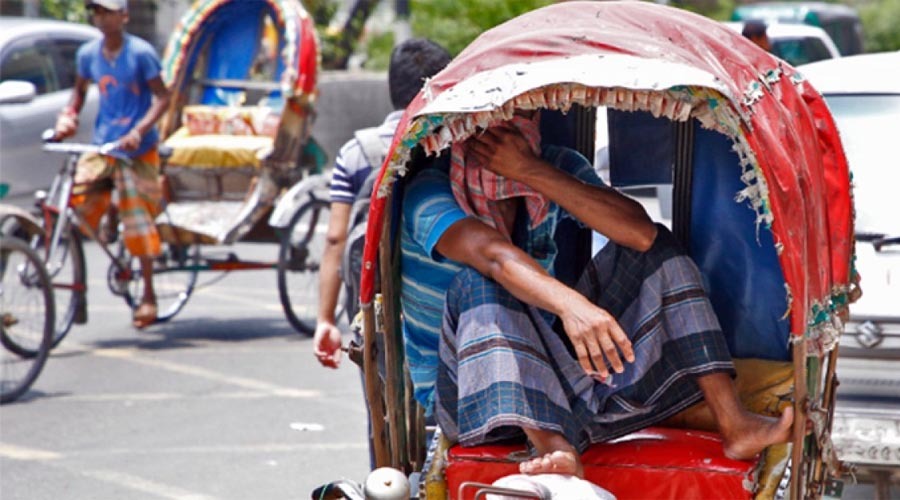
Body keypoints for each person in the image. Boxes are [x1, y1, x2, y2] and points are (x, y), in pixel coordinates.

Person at [400, 111, 794, 478]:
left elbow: (639, 232)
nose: (511, 127)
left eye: (524, 114)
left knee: (657, 248)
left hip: (558, 380)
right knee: (481, 282)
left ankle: (734, 422)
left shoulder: (552, 164)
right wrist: (573, 306)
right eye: (497, 116)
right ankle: (555, 447)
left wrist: (531, 171)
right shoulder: (430, 191)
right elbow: (494, 259)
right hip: (469, 394)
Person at [312, 38, 451, 369]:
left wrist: (325, 319)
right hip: (441, 299)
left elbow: (335, 238)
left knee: (380, 396)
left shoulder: (356, 152)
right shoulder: (455, 143)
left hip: (374, 303)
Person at [54, 0, 170, 328]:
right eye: (97, 12)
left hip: (137, 149)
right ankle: (77, 291)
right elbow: (78, 94)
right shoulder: (88, 55)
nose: (102, 18)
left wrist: (139, 131)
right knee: (72, 200)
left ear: (124, 16)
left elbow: (163, 97)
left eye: (108, 12)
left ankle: (148, 294)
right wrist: (68, 118)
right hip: (104, 144)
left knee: (137, 216)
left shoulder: (141, 53)